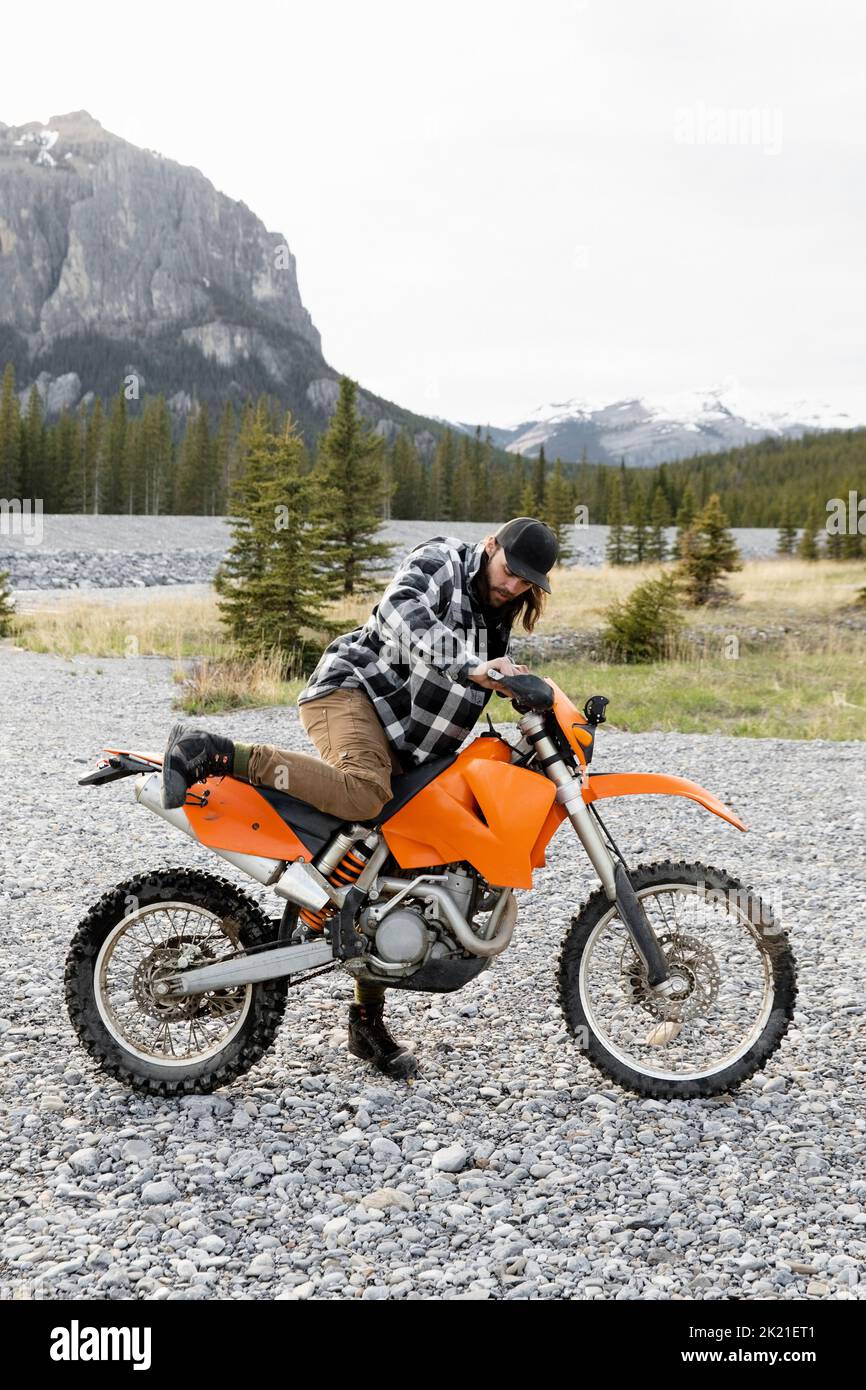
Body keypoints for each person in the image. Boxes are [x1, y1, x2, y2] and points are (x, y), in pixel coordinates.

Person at [161, 516, 558, 1079]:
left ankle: (365, 1024)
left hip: (405, 741)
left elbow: (477, 683)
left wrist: (522, 693)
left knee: (399, 869)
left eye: (527, 582)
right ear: (491, 546)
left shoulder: (496, 620)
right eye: (510, 570)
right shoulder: (443, 560)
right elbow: (401, 613)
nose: (514, 585)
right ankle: (218, 752)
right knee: (366, 793)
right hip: (352, 694)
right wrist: (474, 668)